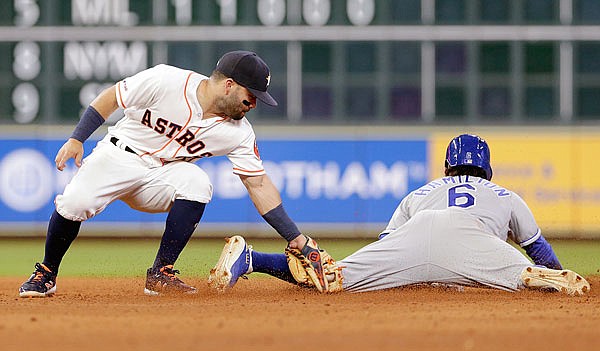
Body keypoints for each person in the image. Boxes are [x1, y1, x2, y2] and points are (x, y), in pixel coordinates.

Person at [19, 50, 320, 297]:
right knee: (74, 203)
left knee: (198, 182)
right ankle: (46, 272)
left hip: (161, 176)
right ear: (229, 84)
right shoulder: (168, 80)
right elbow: (111, 97)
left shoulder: (239, 133)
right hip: (118, 155)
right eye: (251, 95)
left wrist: (295, 237)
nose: (254, 102)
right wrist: (77, 139)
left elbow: (258, 184)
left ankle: (160, 273)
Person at [208, 134, 590, 296]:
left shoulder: (420, 192)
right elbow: (539, 249)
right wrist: (551, 267)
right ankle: (527, 278)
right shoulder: (506, 195)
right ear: (486, 168)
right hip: (473, 238)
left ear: (447, 167)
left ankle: (251, 258)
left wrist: (402, 272)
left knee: (334, 277)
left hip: (416, 232)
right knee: (525, 275)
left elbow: (390, 244)